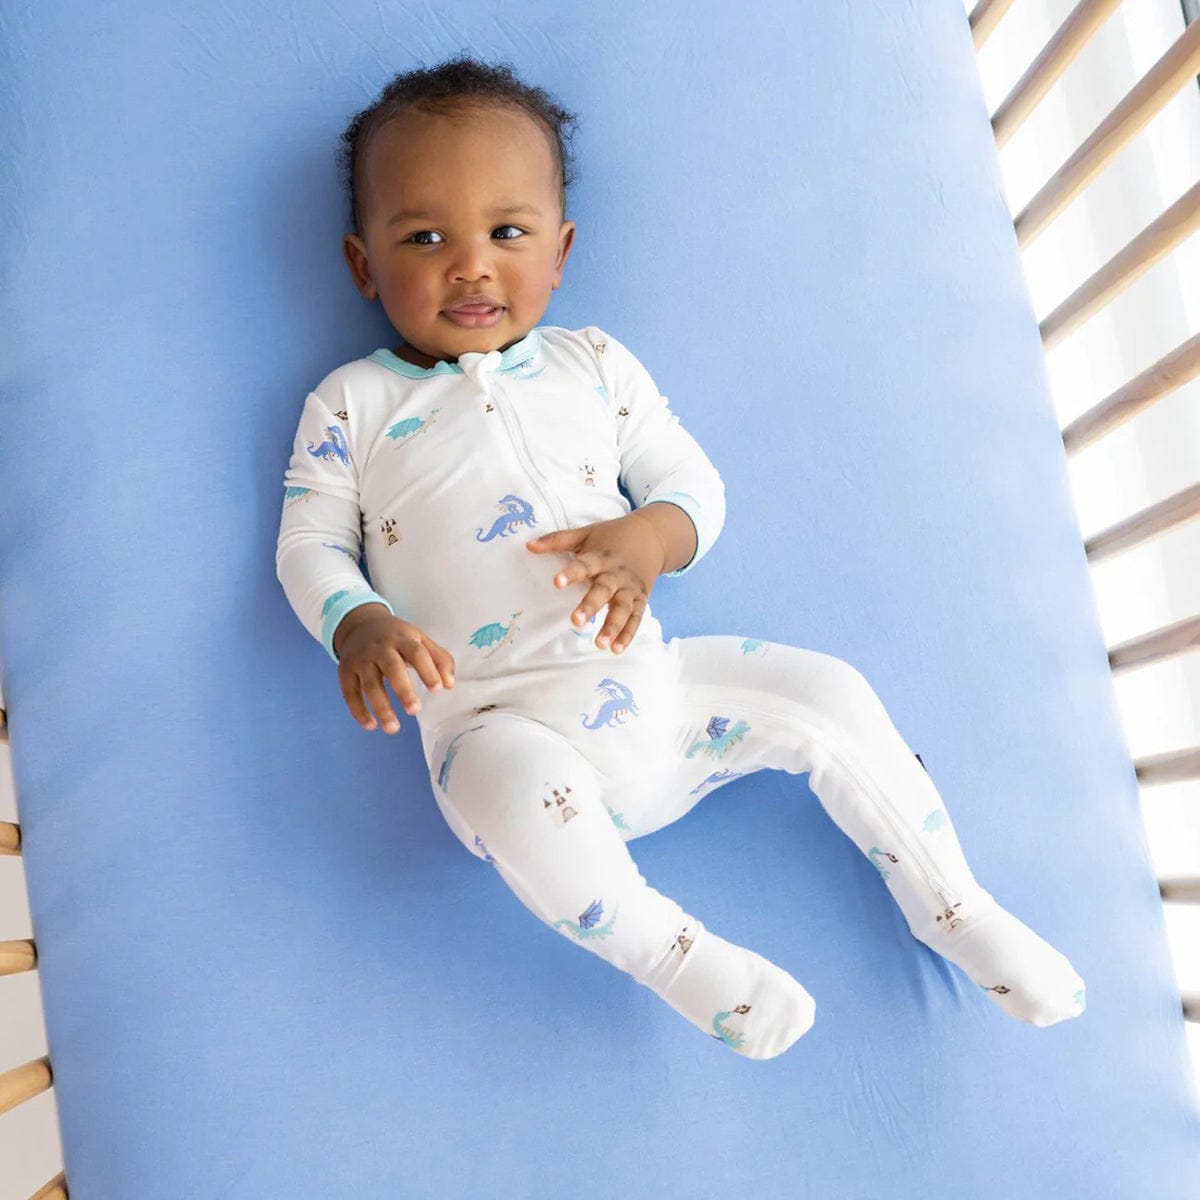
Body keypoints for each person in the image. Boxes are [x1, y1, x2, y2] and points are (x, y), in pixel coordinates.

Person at [275, 53, 1085, 1060]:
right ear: (364, 265)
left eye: (508, 233)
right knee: (511, 795)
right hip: (494, 724)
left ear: (562, 250)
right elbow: (309, 542)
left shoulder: (593, 364)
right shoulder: (352, 403)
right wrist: (358, 622)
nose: (471, 265)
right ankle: (678, 958)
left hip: (660, 697)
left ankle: (954, 905)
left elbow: (693, 488)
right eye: (425, 237)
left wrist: (649, 539)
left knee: (828, 692)